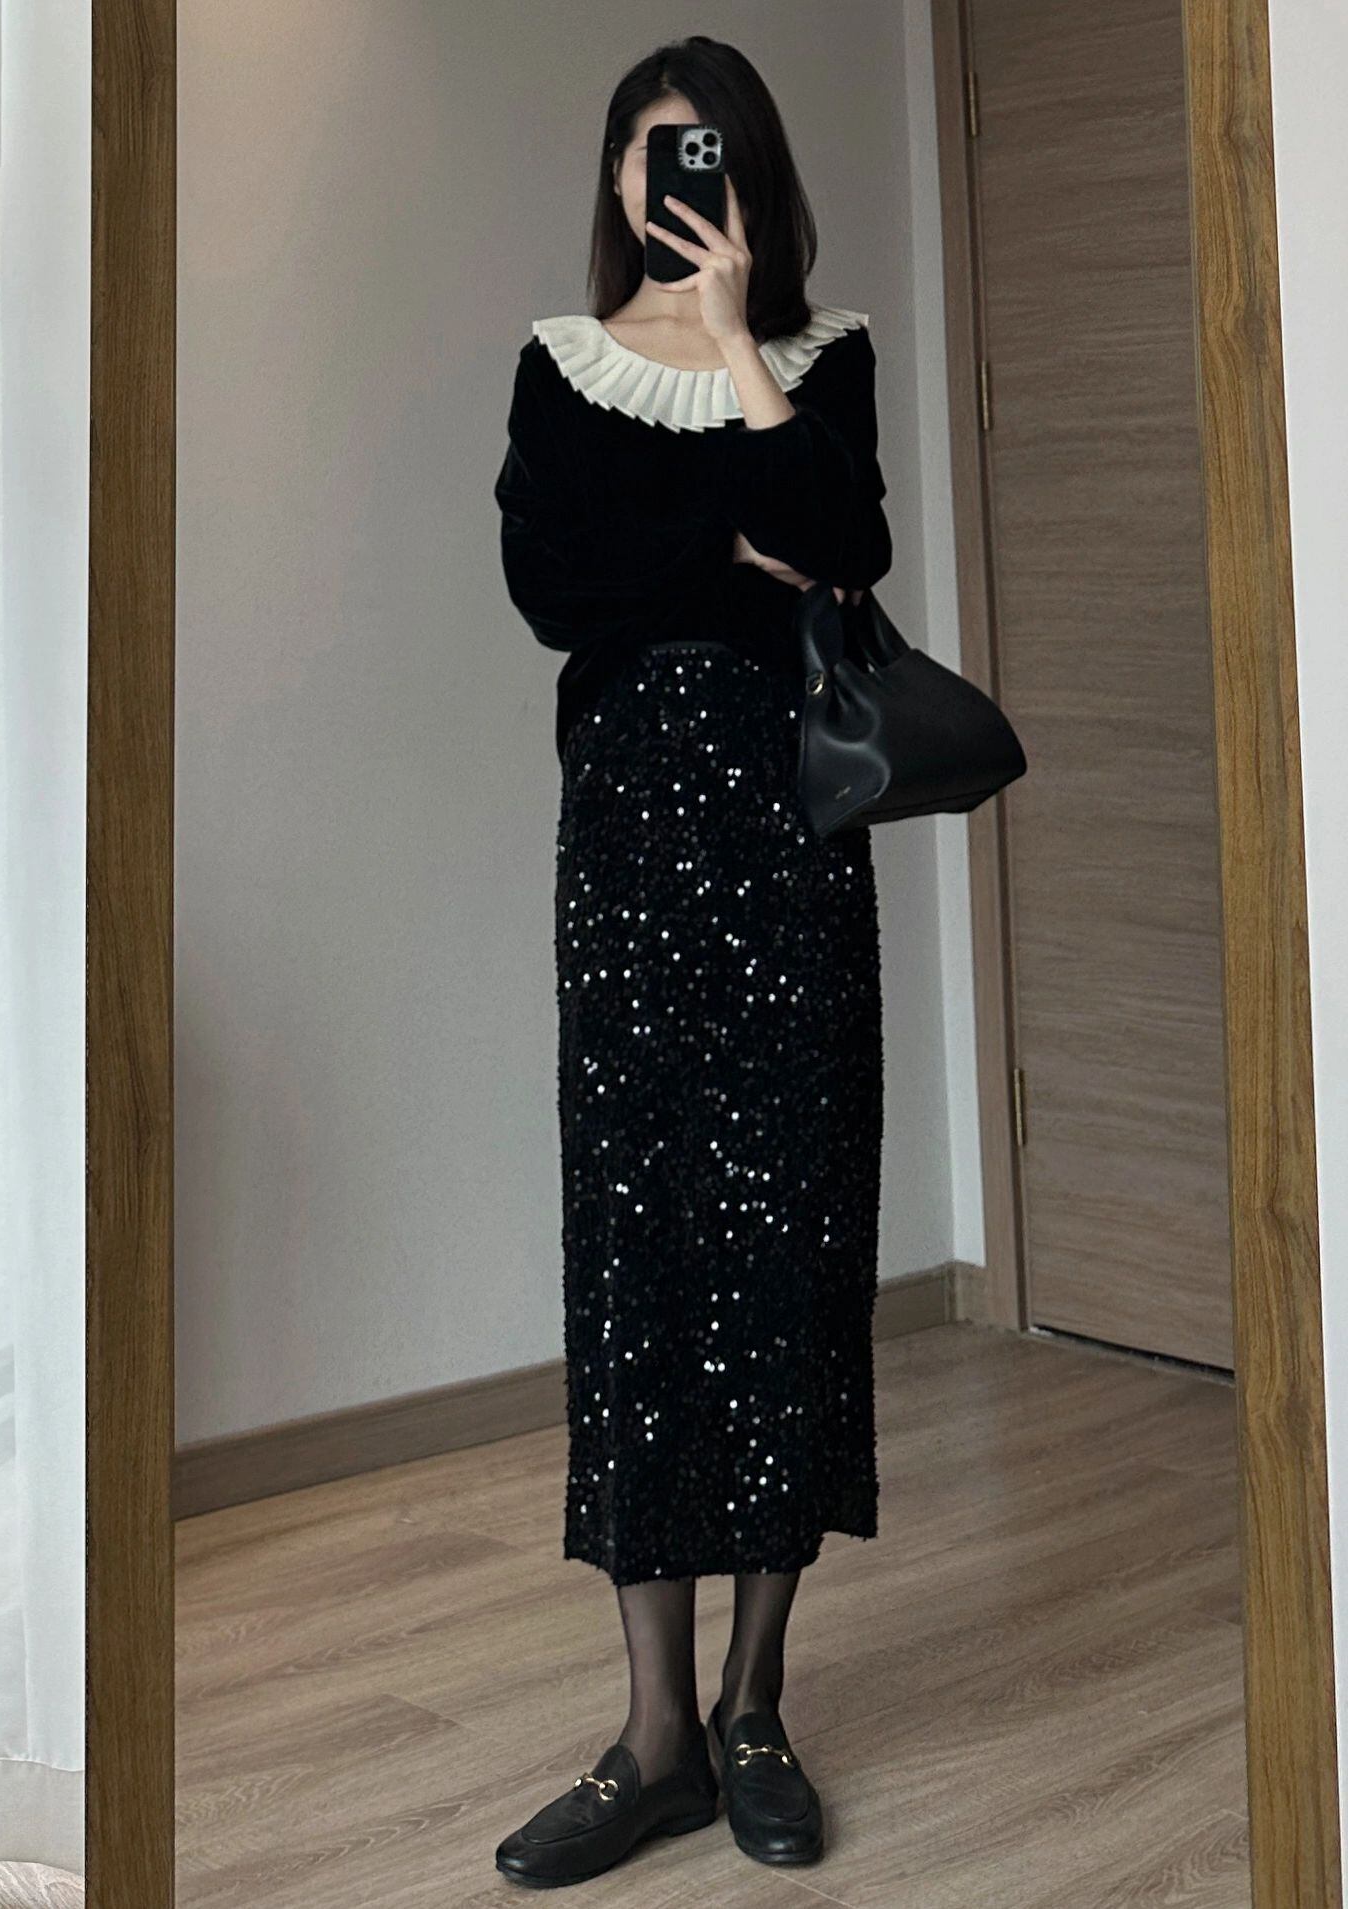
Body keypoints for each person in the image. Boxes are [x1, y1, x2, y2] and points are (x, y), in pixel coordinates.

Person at [491, 33, 892, 1889]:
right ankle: (652, 1733)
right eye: (655, 155)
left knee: (789, 1252)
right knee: (642, 1258)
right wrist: (733, 537)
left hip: (790, 853)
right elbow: (554, 588)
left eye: (710, 153)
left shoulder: (822, 361)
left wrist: (739, 352)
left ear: (757, 177)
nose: (682, 184)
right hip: (630, 859)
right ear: (615, 180)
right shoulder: (559, 368)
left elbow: (845, 543)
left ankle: (753, 1708)